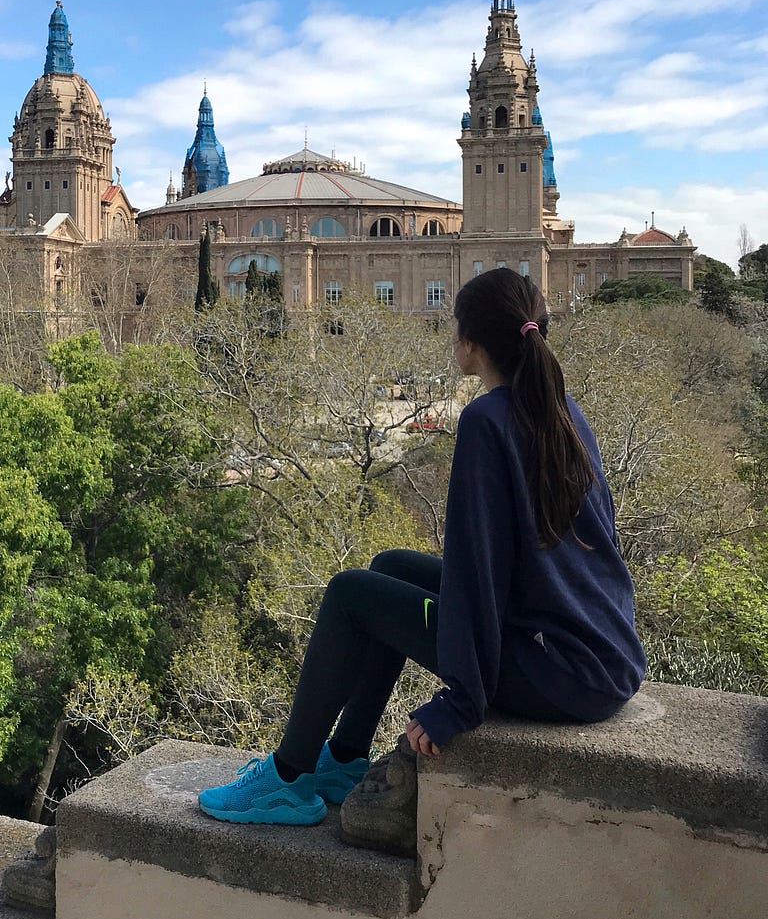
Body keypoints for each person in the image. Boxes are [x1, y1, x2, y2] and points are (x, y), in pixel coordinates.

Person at [199, 266, 646, 825]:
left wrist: (459, 702)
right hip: (597, 653)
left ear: (471, 341)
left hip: (559, 671)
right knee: (389, 567)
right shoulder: (562, 409)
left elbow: (478, 568)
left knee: (349, 593)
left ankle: (288, 778)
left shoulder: (487, 419)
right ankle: (343, 758)